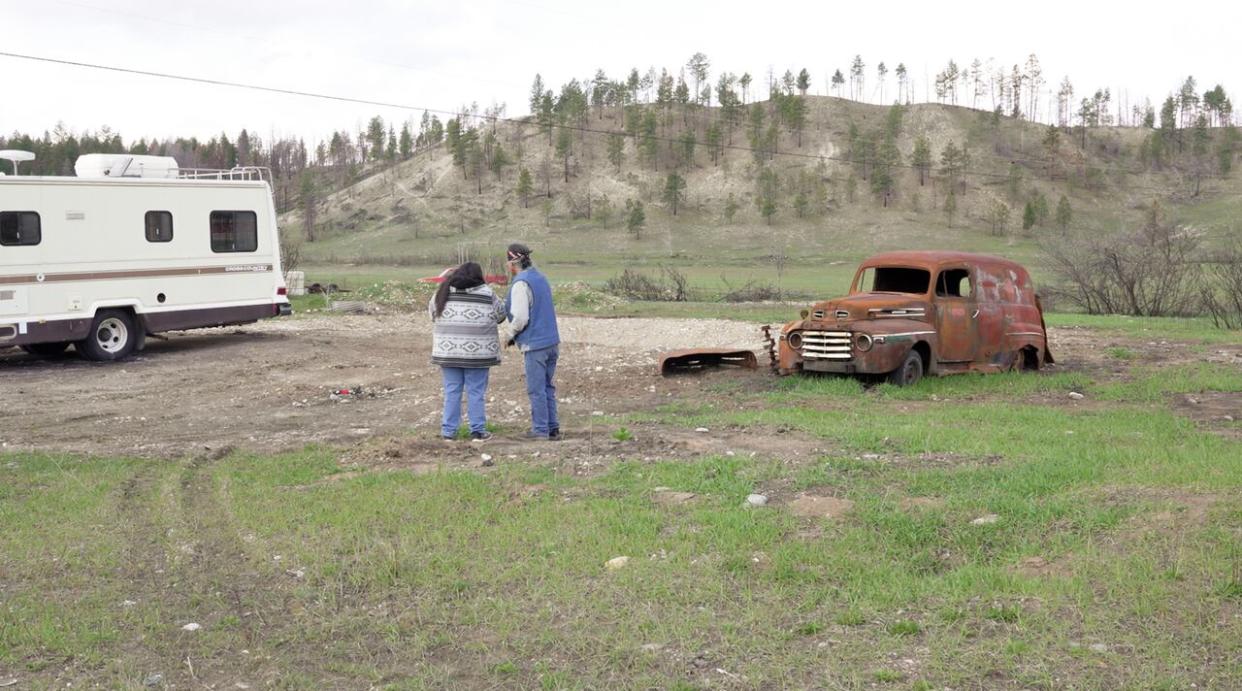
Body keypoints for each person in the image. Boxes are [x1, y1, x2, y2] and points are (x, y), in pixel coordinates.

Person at [430, 262, 505, 441]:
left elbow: (432, 314)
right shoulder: (487, 293)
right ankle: (477, 430)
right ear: (479, 277)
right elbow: (501, 315)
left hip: (448, 353)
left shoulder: (442, 292)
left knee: (452, 391)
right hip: (479, 354)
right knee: (476, 391)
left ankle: (448, 432)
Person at [504, 243, 561, 440]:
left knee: (536, 389)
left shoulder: (521, 284)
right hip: (552, 341)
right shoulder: (541, 277)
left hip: (535, 344)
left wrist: (509, 336)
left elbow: (520, 318)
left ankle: (540, 431)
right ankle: (552, 428)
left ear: (513, 262)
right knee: (547, 386)